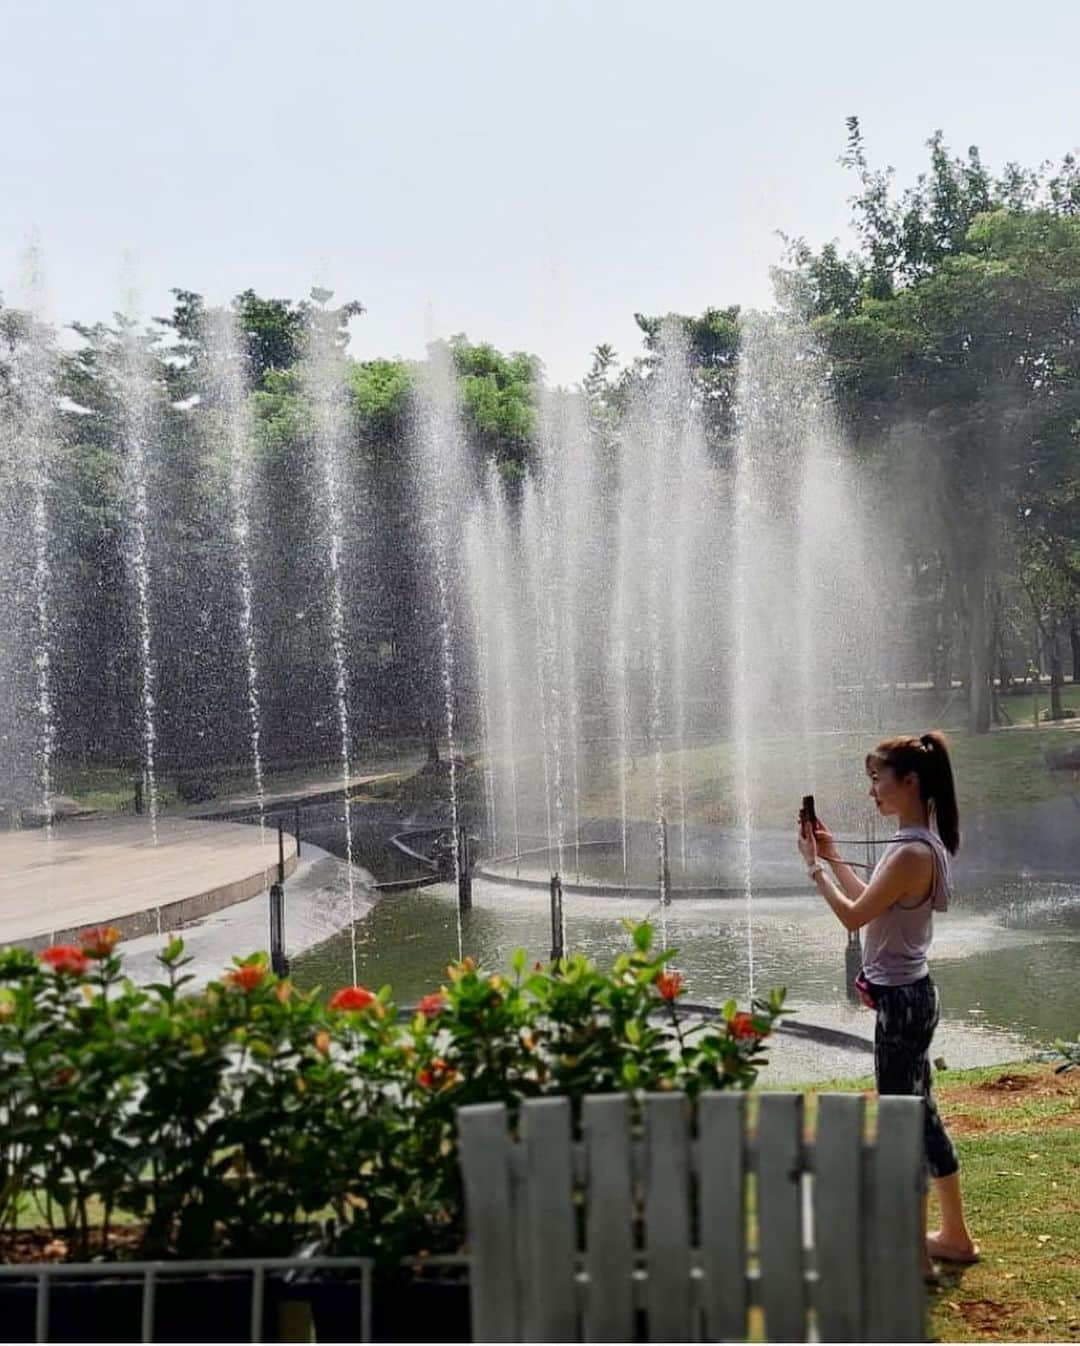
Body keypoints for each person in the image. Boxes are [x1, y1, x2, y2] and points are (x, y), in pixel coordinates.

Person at [797, 730, 979, 1274]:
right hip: (915, 993)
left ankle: (915, 1256)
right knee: (921, 1114)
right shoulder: (924, 844)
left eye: (878, 779)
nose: (872, 790)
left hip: (901, 1001)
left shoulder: (909, 851)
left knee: (902, 1120)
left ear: (910, 782)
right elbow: (873, 904)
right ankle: (954, 1236)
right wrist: (834, 858)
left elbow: (852, 916)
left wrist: (814, 870)